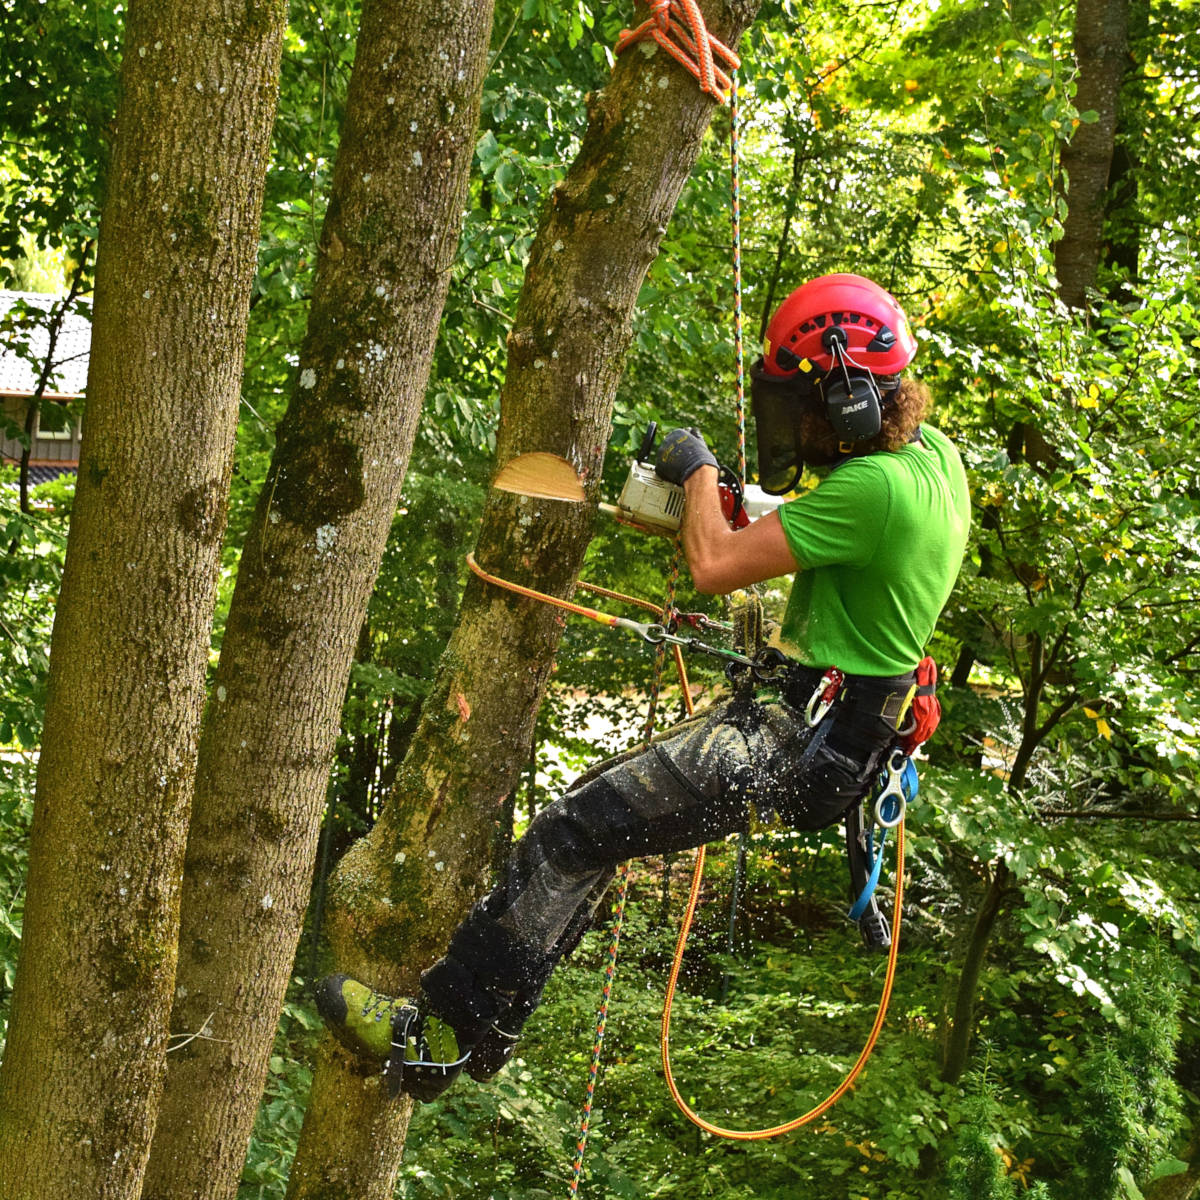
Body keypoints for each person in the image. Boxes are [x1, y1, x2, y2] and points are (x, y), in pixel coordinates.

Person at [316, 272, 971, 1102]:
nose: (793, 425)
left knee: (570, 832)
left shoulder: (870, 490)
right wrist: (741, 505)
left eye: (800, 406)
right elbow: (840, 547)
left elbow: (713, 567)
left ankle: (440, 1031)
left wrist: (699, 476)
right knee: (594, 822)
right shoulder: (932, 459)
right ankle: (474, 1035)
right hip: (832, 729)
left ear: (843, 401)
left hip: (797, 742)